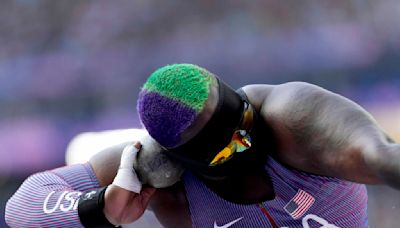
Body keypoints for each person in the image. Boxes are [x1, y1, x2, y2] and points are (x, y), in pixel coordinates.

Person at [5, 63, 400, 227]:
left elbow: (382, 156)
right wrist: (101, 208)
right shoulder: (154, 166)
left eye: (245, 122)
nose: (249, 143)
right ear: (186, 160)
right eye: (229, 148)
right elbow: (22, 207)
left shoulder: (293, 116)